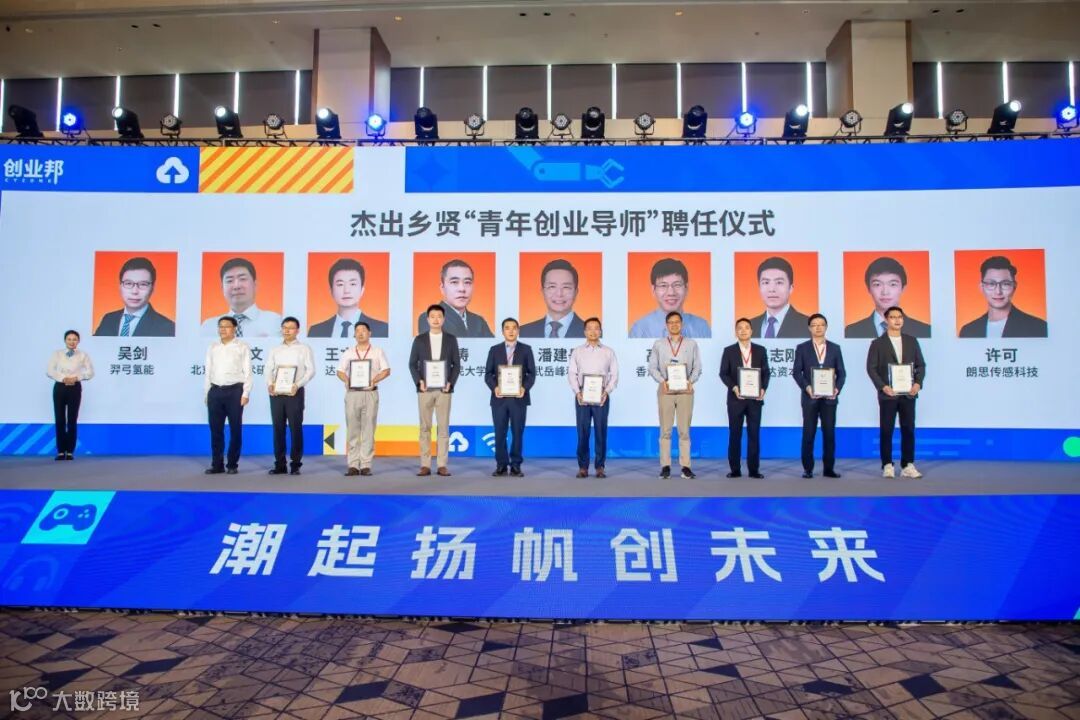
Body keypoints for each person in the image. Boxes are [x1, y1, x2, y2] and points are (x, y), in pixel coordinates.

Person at [867, 306, 927, 478]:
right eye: (893, 317)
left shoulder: (911, 341)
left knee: (908, 429)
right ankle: (887, 464)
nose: (897, 320)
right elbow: (871, 368)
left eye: (900, 317)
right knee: (887, 430)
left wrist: (918, 384)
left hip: (908, 394)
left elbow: (921, 365)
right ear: (886, 320)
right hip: (888, 394)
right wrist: (883, 386)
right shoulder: (877, 344)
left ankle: (908, 465)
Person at [648, 311, 703, 478]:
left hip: (685, 391)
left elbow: (697, 367)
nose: (674, 325)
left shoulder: (691, 344)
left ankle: (685, 467)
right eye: (670, 322)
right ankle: (665, 466)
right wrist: (662, 381)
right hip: (665, 390)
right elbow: (652, 367)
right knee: (665, 430)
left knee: (684, 430)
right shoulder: (659, 344)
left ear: (682, 324)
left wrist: (690, 381)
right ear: (666, 325)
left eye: (677, 322)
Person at [409, 304, 462, 476]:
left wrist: (450, 383)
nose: (436, 319)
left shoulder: (451, 339)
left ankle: (441, 464)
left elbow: (456, 365)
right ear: (427, 319)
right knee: (424, 428)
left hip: (444, 390)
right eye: (432, 316)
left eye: (439, 316)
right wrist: (419, 382)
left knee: (443, 428)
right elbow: (412, 364)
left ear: (444, 319)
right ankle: (425, 464)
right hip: (425, 390)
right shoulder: (419, 340)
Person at [792, 313, 846, 478]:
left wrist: (836, 389)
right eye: (814, 325)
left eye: (821, 324)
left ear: (826, 327)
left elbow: (842, 373)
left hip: (830, 399)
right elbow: (797, 372)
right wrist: (807, 387)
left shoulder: (835, 348)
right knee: (809, 433)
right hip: (810, 398)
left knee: (829, 434)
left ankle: (829, 469)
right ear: (809, 328)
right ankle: (807, 469)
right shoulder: (802, 348)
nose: (818, 328)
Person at [336, 321, 391, 476]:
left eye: (363, 330)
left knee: (368, 429)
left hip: (370, 393)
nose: (360, 333)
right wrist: (347, 380)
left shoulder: (377, 352)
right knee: (352, 429)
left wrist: (374, 380)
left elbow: (386, 370)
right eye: (357, 331)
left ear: (369, 333)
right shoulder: (348, 352)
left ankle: (366, 464)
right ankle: (353, 464)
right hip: (352, 394)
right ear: (354, 334)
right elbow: (340, 371)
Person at [484, 318, 537, 476]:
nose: (511, 331)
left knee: (517, 432)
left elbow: (532, 374)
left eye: (514, 328)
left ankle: (516, 465)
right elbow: (488, 374)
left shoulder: (526, 349)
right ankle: (501, 464)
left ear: (518, 330)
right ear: (502, 331)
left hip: (518, 398)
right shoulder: (494, 350)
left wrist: (524, 388)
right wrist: (495, 387)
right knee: (499, 432)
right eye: (507, 328)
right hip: (499, 399)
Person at [719, 318, 771, 478]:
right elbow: (723, 373)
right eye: (739, 328)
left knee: (754, 434)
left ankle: (754, 469)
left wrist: (763, 389)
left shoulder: (760, 350)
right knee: (735, 434)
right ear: (736, 332)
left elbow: (766, 373)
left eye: (746, 327)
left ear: (751, 331)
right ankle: (735, 469)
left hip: (755, 400)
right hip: (736, 399)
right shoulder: (729, 351)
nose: (743, 330)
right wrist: (734, 388)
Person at [568, 317, 619, 478]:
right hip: (582, 396)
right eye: (589, 328)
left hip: (601, 396)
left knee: (600, 432)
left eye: (596, 328)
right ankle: (583, 467)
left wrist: (606, 391)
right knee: (582, 432)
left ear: (600, 331)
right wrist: (577, 392)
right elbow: (572, 373)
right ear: (585, 332)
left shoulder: (608, 352)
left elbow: (614, 375)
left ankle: (600, 466)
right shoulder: (577, 351)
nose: (593, 331)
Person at [265, 316, 315, 475]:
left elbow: (311, 370)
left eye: (291, 328)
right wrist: (270, 384)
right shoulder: (275, 349)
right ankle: (280, 464)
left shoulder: (304, 348)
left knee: (295, 428)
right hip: (276, 393)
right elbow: (268, 369)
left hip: (295, 392)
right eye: (284, 327)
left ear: (297, 331)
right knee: (278, 429)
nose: (287, 331)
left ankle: (295, 464)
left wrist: (297, 385)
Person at [204, 316, 253, 474]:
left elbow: (248, 372)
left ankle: (232, 464)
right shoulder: (213, 347)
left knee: (235, 430)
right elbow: (208, 372)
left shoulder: (242, 347)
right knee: (215, 430)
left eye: (226, 326)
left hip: (235, 391)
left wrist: (246, 393)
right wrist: (207, 393)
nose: (223, 329)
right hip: (215, 391)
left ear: (234, 328)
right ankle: (217, 464)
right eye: (220, 326)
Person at [959, 255, 1048, 338]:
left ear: (1014, 287)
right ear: (982, 287)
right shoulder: (968, 331)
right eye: (991, 284)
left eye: (1005, 284)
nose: (998, 291)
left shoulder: (1038, 328)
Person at [846, 256, 931, 338]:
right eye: (877, 284)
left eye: (893, 284)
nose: (885, 292)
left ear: (903, 288)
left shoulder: (924, 330)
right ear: (869, 289)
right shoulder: (851, 331)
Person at [94, 256, 176, 337]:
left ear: (152, 288)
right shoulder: (108, 319)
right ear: (120, 286)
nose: (135, 291)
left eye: (143, 284)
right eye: (128, 283)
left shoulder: (167, 328)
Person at [200, 257, 283, 337]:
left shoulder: (276, 322)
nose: (236, 286)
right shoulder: (208, 327)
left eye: (242, 279)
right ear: (222, 288)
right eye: (229, 281)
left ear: (255, 285)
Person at [630, 258, 711, 338]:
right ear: (653, 290)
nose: (671, 293)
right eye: (663, 285)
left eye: (677, 285)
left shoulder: (702, 327)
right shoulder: (639, 330)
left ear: (686, 288)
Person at [308, 258, 389, 338]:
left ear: (362, 290)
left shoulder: (382, 330)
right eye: (340, 284)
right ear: (331, 291)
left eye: (353, 284)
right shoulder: (315, 331)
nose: (346, 290)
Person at [47, 330, 94, 460]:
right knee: (60, 419)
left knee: (72, 419)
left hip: (75, 388)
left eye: (74, 339)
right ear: (65, 340)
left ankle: (70, 451)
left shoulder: (83, 355)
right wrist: (63, 378)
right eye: (69, 339)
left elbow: (90, 372)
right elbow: (50, 371)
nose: (72, 342)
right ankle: (61, 451)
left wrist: (76, 378)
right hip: (60, 387)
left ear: (78, 341)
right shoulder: (57, 354)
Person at [417, 258, 493, 338]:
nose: (462, 289)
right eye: (454, 282)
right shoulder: (429, 317)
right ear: (442, 288)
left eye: (467, 282)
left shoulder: (479, 321)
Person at [520, 258, 587, 338]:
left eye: (566, 287)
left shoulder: (594, 334)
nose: (559, 294)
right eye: (552, 286)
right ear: (543, 291)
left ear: (576, 292)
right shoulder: (522, 332)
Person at [748, 256, 809, 339]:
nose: (772, 289)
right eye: (766, 282)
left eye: (779, 282)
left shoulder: (808, 326)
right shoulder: (748, 326)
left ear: (790, 288)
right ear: (759, 288)